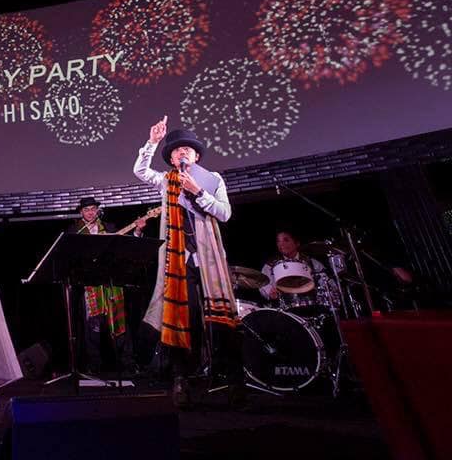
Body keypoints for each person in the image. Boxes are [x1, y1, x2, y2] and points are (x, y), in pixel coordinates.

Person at [134, 116, 243, 408]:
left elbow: (225, 214)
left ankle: (234, 381)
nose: (182, 153)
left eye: (187, 150)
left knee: (221, 318)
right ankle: (181, 378)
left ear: (196, 156)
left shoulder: (212, 179)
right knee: (182, 316)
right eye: (176, 151)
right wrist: (152, 142)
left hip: (208, 258)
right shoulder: (166, 180)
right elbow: (140, 170)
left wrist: (198, 192)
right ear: (171, 159)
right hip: (179, 260)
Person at [66, 197, 146, 373]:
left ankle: (128, 363)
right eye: (86, 210)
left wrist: (138, 231)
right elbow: (70, 257)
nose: (90, 212)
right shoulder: (75, 231)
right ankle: (94, 365)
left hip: (111, 282)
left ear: (97, 210)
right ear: (81, 213)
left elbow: (125, 248)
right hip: (89, 284)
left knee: (119, 323)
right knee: (92, 325)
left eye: (93, 209)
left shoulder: (110, 228)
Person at [260, 230, 326, 302]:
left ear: (297, 243)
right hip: (284, 305)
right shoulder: (271, 265)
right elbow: (263, 283)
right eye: (278, 241)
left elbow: (326, 282)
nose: (281, 244)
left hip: (313, 302)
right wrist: (270, 291)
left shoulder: (312, 263)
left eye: (286, 240)